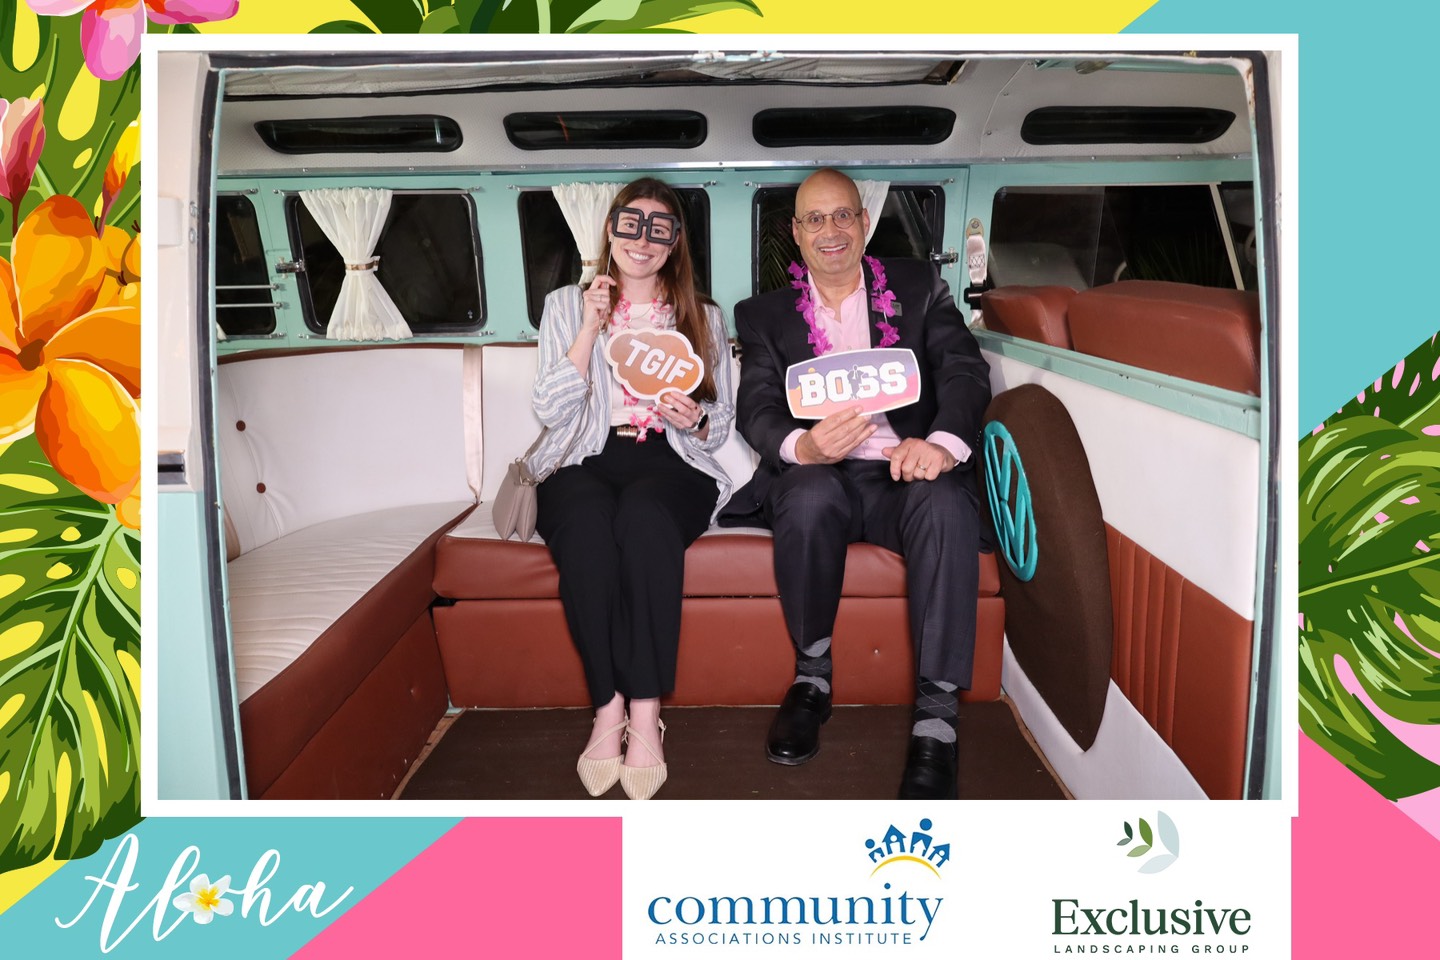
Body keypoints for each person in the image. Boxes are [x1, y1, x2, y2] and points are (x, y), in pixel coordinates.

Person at [723, 168, 991, 800]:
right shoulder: (762, 315)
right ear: (796, 233)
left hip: (906, 473)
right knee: (808, 493)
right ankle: (811, 679)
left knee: (946, 503)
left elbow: (964, 369)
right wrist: (804, 447)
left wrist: (941, 444)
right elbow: (756, 406)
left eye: (843, 214)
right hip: (825, 476)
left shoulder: (918, 286)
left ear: (864, 223)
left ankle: (937, 720)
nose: (831, 230)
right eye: (815, 219)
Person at [531, 178, 733, 800]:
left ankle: (645, 712)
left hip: (671, 462)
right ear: (611, 230)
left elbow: (720, 422)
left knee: (645, 519)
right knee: (587, 526)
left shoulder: (704, 316)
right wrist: (589, 326)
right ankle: (607, 708)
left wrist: (693, 419)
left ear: (674, 243)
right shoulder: (565, 305)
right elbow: (550, 410)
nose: (641, 242)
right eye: (630, 224)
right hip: (585, 456)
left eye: (658, 229)